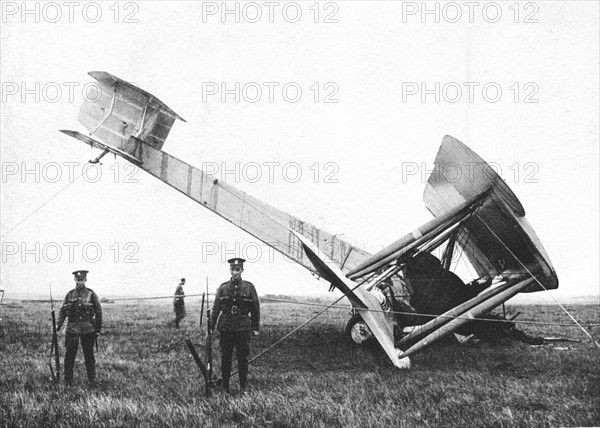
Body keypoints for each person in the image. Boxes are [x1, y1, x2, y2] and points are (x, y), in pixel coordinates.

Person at [211, 258, 260, 394]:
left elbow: (255, 308)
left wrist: (255, 328)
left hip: (242, 328)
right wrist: (211, 326)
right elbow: (216, 309)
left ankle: (243, 387)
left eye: (237, 270)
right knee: (225, 357)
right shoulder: (223, 288)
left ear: (242, 270)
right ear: (230, 270)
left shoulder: (249, 287)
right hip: (226, 328)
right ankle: (225, 387)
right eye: (233, 270)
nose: (235, 272)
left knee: (242, 358)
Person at [57, 270, 102, 386]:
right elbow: (62, 311)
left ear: (85, 280)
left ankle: (92, 380)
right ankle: (68, 381)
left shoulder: (91, 294)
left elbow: (98, 311)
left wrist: (97, 329)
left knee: (89, 356)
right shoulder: (70, 294)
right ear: (74, 280)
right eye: (77, 280)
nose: (79, 282)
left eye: (81, 280)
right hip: (72, 330)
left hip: (88, 330)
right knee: (69, 356)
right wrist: (58, 325)